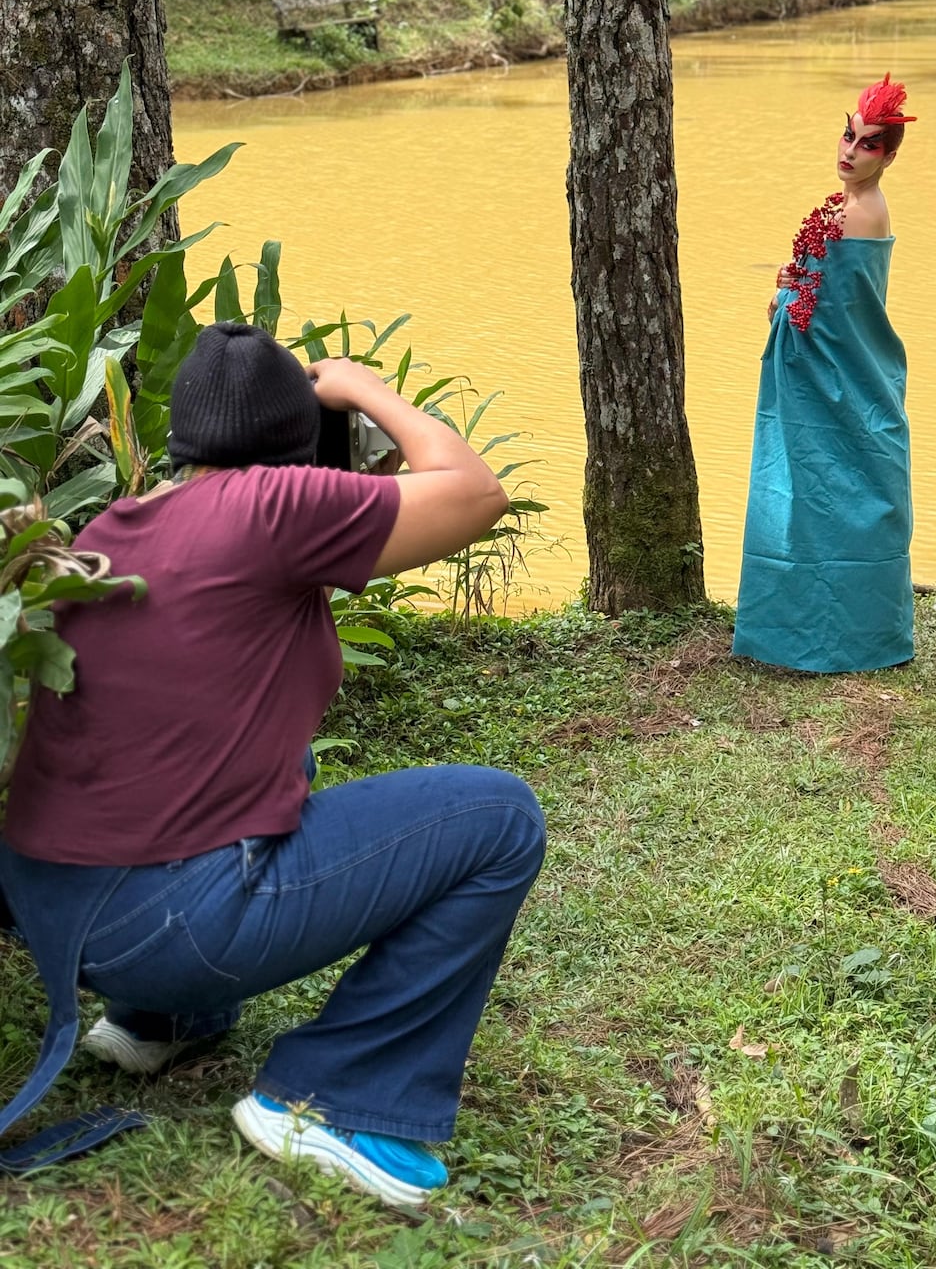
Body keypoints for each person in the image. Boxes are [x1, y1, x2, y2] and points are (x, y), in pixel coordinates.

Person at [0, 323, 546, 1206]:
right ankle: (335, 1102)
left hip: (59, 923)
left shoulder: (122, 518)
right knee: (499, 818)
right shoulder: (276, 504)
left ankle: (157, 1022)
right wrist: (367, 387)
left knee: (249, 744)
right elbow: (475, 493)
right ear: (296, 443)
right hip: (162, 927)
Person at [733, 75, 916, 674]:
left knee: (825, 488)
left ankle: (838, 634)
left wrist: (791, 297)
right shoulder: (844, 204)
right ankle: (811, 625)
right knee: (810, 490)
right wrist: (788, 286)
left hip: (829, 369)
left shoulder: (861, 214)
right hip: (815, 361)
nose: (848, 151)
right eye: (846, 135)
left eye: (866, 144)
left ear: (888, 155)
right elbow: (817, 287)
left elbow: (836, 309)